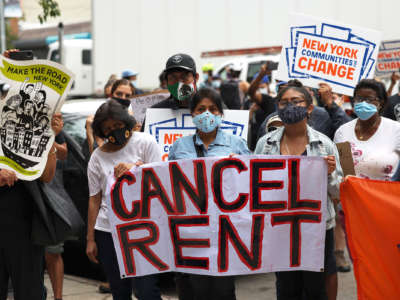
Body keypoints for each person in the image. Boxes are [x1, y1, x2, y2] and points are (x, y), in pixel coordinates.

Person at [255, 85, 342, 300]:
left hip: (317, 228)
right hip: (280, 227)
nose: (290, 106)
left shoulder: (324, 145)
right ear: (277, 107)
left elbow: (338, 191)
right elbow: (254, 186)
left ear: (310, 108)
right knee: (286, 287)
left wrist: (330, 174)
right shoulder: (265, 145)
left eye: (296, 101)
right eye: (284, 102)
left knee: (316, 288)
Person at [168, 88, 250, 300]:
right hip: (193, 230)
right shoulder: (179, 147)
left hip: (226, 230)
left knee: (223, 290)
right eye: (201, 109)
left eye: (212, 109)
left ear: (220, 114)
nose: (207, 114)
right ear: (192, 114)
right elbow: (169, 185)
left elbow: (252, 184)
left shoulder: (236, 145)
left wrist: (240, 167)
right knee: (196, 288)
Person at [86, 100, 162, 300]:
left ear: (126, 122)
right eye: (108, 128)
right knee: (119, 291)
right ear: (101, 132)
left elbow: (161, 180)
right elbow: (94, 199)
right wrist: (90, 239)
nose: (114, 131)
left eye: (118, 126)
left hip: (144, 229)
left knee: (146, 290)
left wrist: (135, 168)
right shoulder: (97, 157)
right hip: (108, 232)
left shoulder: (145, 142)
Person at [0, 113, 63, 300]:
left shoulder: (26, 126)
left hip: (25, 225)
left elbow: (47, 176)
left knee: (30, 290)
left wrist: (50, 137)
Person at [334, 79, 400, 181]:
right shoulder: (343, 132)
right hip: (354, 194)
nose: (363, 104)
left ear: (381, 103)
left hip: (387, 194)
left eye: (369, 100)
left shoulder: (396, 130)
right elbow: (346, 172)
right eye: (359, 99)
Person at [44, 131, 68, 300]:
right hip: (25, 198)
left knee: (53, 251)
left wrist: (48, 141)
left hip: (50, 198)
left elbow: (63, 153)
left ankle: (58, 297)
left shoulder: (53, 127)